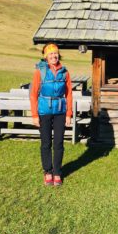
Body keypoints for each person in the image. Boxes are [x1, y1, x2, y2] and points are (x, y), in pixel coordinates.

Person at [29, 43, 73, 186]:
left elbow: (69, 94)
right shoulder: (39, 72)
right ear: (45, 56)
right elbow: (33, 94)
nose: (54, 56)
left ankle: (57, 173)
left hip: (60, 111)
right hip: (44, 112)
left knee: (59, 143)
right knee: (46, 143)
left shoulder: (65, 72)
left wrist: (69, 114)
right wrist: (35, 115)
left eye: (56, 53)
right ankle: (48, 171)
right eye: (51, 54)